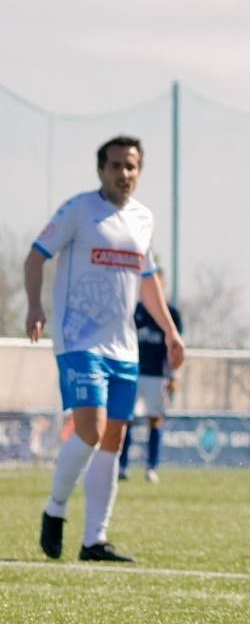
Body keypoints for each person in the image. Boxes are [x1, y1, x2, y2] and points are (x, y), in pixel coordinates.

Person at [25, 136, 185, 563]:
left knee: (114, 438)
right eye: (115, 166)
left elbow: (147, 282)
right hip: (78, 339)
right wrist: (35, 305)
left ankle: (95, 539)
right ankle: (55, 510)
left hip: (124, 348)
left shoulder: (143, 219)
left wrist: (171, 332)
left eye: (131, 166)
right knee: (91, 429)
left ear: (139, 171)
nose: (123, 174)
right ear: (101, 170)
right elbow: (36, 257)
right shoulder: (79, 210)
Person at [119, 272, 183, 483]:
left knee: (155, 419)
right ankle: (122, 466)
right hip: (134, 372)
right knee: (126, 419)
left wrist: (173, 375)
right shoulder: (135, 310)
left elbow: (174, 347)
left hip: (157, 375)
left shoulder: (171, 312)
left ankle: (151, 466)